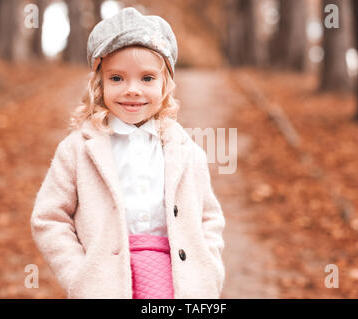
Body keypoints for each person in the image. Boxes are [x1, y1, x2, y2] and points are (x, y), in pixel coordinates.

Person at [30, 7, 225, 299]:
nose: (132, 90)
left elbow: (209, 217)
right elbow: (49, 218)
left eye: (147, 78)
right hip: (105, 283)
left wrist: (209, 270)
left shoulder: (186, 152)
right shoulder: (78, 149)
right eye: (117, 78)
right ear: (99, 84)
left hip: (176, 280)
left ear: (166, 85)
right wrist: (78, 275)